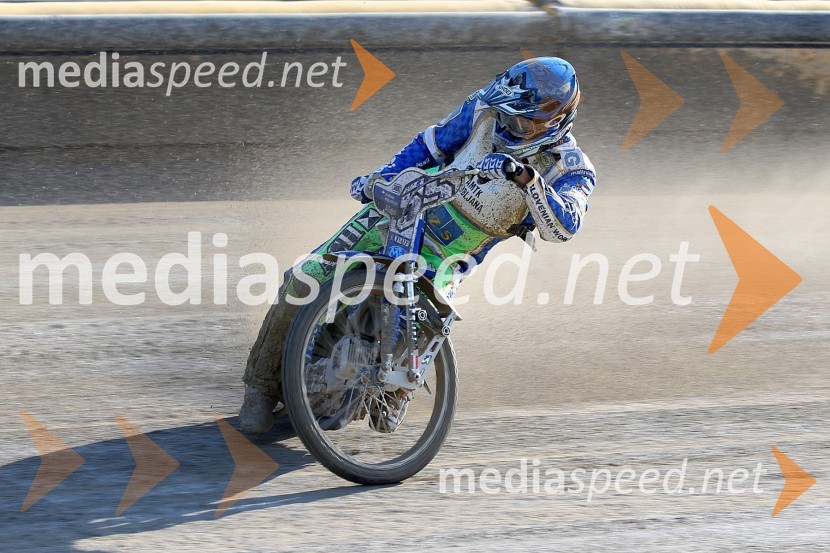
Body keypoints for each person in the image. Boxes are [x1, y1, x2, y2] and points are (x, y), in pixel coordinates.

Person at [239, 56, 597, 434]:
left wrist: (527, 179)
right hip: (403, 208)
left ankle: (395, 391)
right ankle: (259, 387)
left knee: (426, 321)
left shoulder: (571, 169)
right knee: (304, 277)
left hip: (449, 258)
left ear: (553, 121)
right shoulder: (482, 109)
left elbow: (563, 228)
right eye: (504, 114)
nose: (507, 125)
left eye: (520, 121)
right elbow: (430, 144)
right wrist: (383, 178)